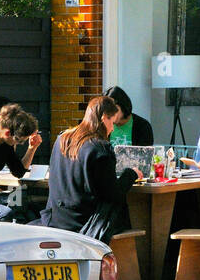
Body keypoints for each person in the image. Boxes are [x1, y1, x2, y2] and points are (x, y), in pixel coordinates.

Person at [38, 95, 142, 235]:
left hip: (55, 218)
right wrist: (132, 174)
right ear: (104, 118)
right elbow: (112, 194)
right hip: (86, 223)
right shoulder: (100, 148)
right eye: (112, 121)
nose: (112, 128)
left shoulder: (62, 139)